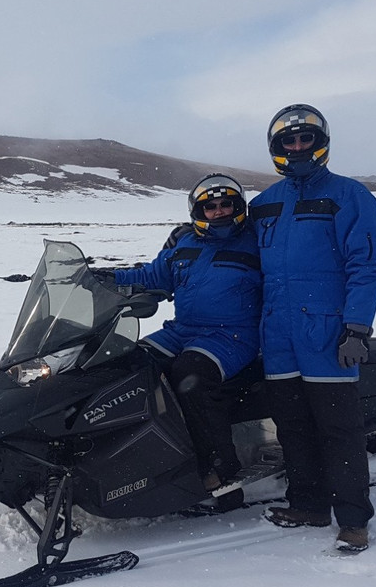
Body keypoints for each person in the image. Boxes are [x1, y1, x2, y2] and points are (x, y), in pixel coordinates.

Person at [248, 103, 376, 553]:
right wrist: (185, 240)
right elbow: (235, 251)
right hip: (278, 335)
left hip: (326, 334)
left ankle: (353, 521)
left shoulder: (350, 196)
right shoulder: (264, 203)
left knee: (339, 430)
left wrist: (357, 328)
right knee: (291, 427)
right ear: (276, 147)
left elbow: (367, 265)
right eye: (287, 140)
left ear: (320, 140)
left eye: (304, 138)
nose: (297, 146)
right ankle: (307, 505)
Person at [101, 174, 262, 493]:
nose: (219, 212)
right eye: (210, 206)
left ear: (238, 206)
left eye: (225, 204)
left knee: (191, 378)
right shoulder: (185, 244)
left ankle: (221, 467)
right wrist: (103, 278)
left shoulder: (257, 243)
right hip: (182, 331)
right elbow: (151, 276)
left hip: (231, 336)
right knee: (125, 364)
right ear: (198, 211)